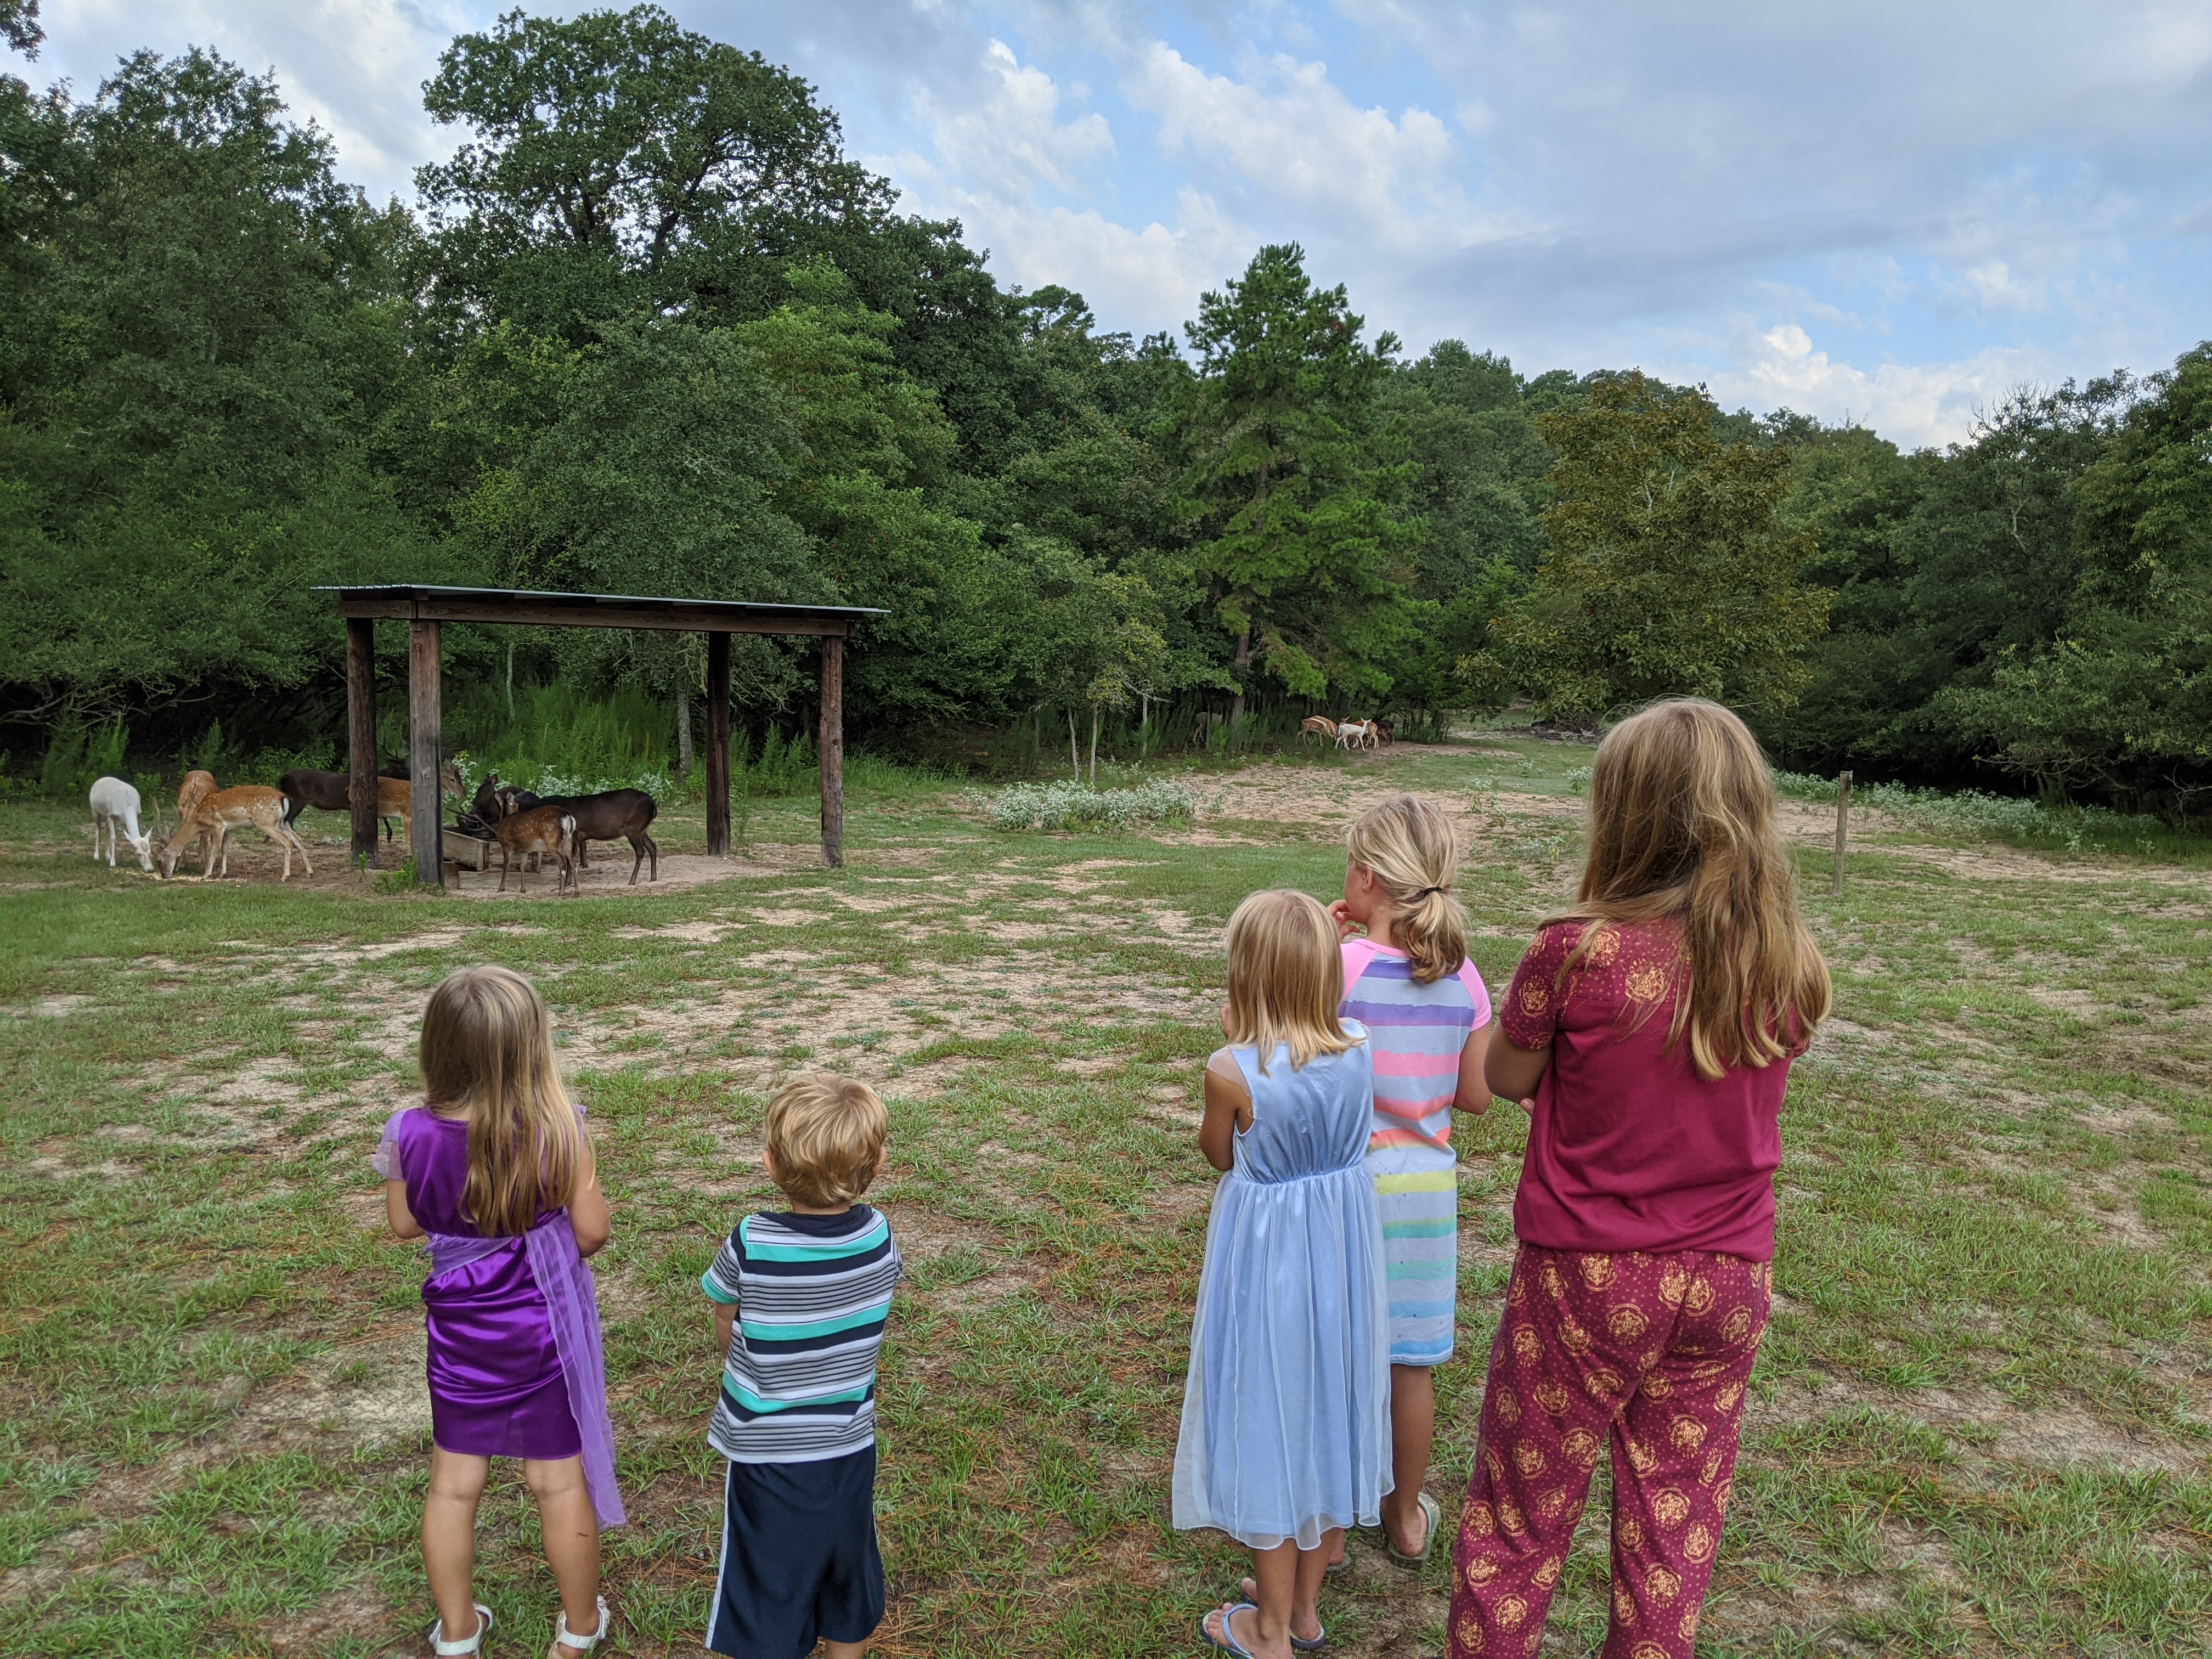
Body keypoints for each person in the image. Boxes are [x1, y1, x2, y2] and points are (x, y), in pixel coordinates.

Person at [1448, 699, 1832, 1659]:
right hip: (1730, 1275)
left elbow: (1504, 1077)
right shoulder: (1784, 956)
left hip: (1588, 1272)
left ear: (1621, 813)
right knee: (1673, 1530)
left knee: (1517, 1522)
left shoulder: (1573, 946)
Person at [377, 965, 624, 1659]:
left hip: (459, 1336)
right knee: (557, 1479)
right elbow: (593, 1232)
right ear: (531, 1051)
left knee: (454, 1487)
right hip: (543, 1331)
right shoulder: (560, 1130)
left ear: (436, 1049)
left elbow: (403, 1224)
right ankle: (578, 1629)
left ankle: (457, 1634)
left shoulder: (409, 1132)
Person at [1175, 889, 1392, 1659]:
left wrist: (1236, 1049)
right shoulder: (1361, 1045)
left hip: (1269, 1268)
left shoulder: (1231, 1069)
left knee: (1271, 1418)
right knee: (1330, 1411)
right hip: (1340, 1265)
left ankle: (1266, 1631)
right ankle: (1301, 1610)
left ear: (1245, 981)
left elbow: (1219, 1153)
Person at [1329, 795, 1493, 1570]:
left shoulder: (1338, 966)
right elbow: (1476, 1095)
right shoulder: (1466, 977)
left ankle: (1323, 1523)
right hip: (1426, 1194)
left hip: (1344, 1188)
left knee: (1334, 1353)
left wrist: (1324, 943)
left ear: (1365, 876)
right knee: (1410, 1365)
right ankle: (1405, 1518)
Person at [701, 1074, 902, 1659]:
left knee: (767, 1587)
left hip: (766, 1454)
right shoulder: (879, 1235)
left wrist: (737, 1359)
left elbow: (724, 1310)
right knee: (848, 1572)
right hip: (848, 1447)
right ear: (878, 1162)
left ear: (770, 1164)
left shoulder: (752, 1240)